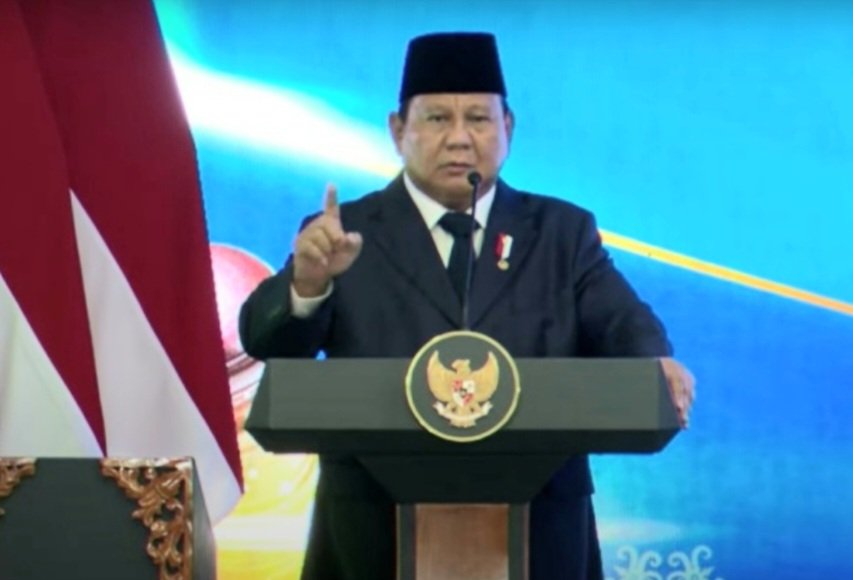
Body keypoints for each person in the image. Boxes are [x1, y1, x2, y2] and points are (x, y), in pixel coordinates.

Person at [239, 31, 695, 580]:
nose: (459, 138)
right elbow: (265, 341)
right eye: (437, 119)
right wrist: (308, 285)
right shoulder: (345, 233)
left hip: (541, 528)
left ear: (509, 129)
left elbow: (621, 318)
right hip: (371, 531)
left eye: (478, 119)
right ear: (397, 130)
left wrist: (652, 361)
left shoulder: (561, 232)